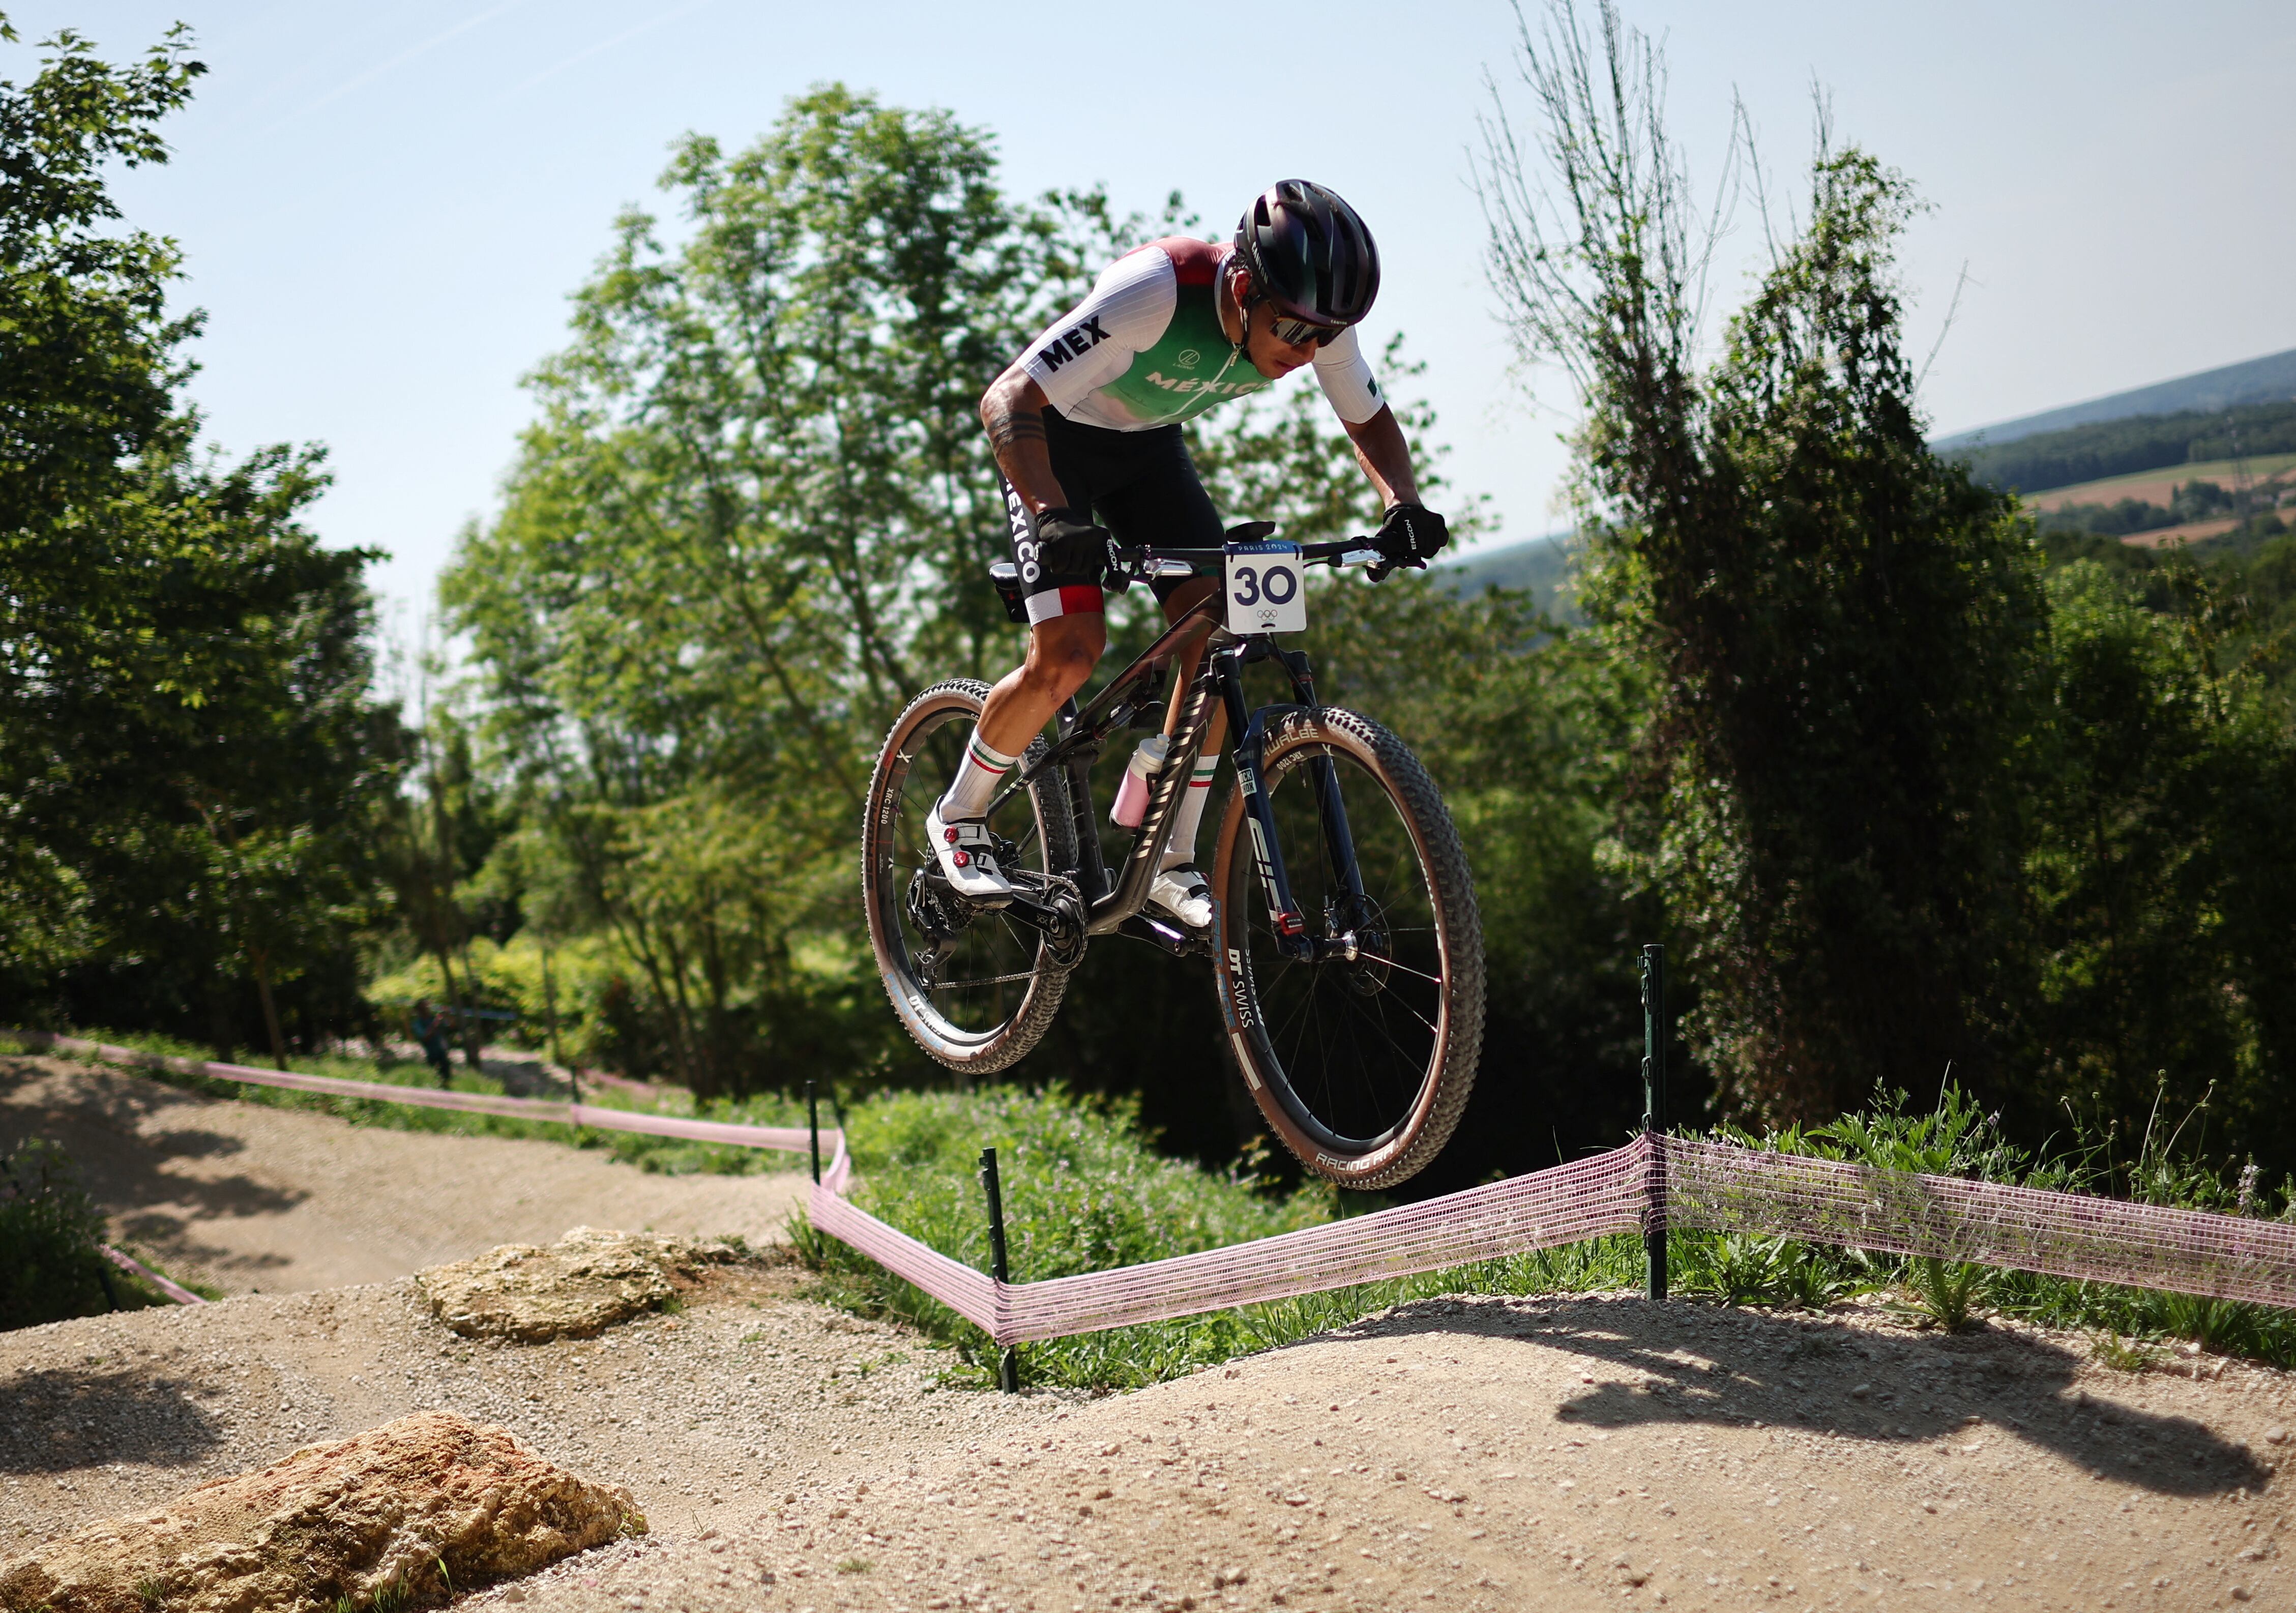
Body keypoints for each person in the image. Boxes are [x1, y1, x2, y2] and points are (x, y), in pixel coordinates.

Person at [929, 179, 1449, 928]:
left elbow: (1366, 418)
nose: (1306, 354)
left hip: (1147, 452)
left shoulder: (1315, 316)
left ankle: (1165, 846)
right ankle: (957, 813)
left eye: (1321, 337)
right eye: (1293, 333)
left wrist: (1400, 503)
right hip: (1056, 446)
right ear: (1242, 286)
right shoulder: (1157, 291)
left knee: (1219, 633)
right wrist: (1051, 516)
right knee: (1071, 652)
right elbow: (1006, 399)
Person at [410, 999, 454, 1090]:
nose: (427, 1009)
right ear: (419, 1010)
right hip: (430, 1054)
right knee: (433, 1078)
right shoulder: (417, 1023)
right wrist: (436, 1023)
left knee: (447, 1079)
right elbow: (425, 1037)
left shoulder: (434, 1019)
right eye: (425, 1007)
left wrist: (448, 1015)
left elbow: (452, 1026)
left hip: (442, 1052)